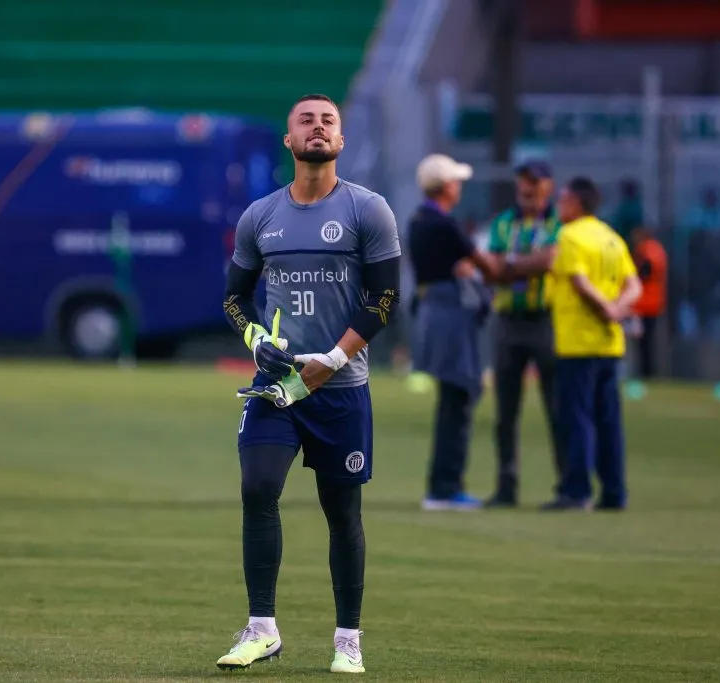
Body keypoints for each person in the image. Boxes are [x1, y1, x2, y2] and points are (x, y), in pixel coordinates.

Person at [217, 94, 402, 673]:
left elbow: (384, 298)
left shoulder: (368, 210)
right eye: (306, 121)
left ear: (340, 141)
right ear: (289, 141)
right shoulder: (259, 216)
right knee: (257, 489)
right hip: (278, 387)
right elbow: (234, 299)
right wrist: (256, 341)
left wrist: (335, 359)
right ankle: (261, 630)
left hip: (341, 389)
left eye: (328, 121)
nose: (317, 127)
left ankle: (348, 639)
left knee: (342, 513)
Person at [543, 177, 642, 511]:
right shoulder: (611, 237)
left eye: (563, 199)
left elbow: (579, 281)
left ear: (576, 203)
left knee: (577, 419)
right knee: (608, 421)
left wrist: (606, 308)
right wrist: (619, 309)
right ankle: (614, 492)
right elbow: (634, 285)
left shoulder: (570, 236)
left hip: (577, 342)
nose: (559, 205)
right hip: (609, 344)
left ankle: (577, 490)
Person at [407, 154, 499, 511]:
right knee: (459, 396)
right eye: (456, 182)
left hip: (433, 314)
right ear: (446, 187)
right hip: (452, 318)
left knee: (452, 399)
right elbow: (485, 265)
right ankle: (445, 488)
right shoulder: (445, 224)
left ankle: (443, 485)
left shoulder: (417, 221)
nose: (459, 187)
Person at [483, 160, 565, 508]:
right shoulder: (504, 222)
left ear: (548, 186)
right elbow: (492, 268)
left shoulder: (559, 223)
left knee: (557, 407)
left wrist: (512, 266)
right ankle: (506, 486)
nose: (527, 188)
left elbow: (550, 262)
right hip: (509, 321)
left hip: (547, 320)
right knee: (505, 412)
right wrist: (528, 264)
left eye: (534, 182)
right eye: (523, 182)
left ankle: (567, 485)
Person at [630, 226, 667, 379]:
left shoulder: (647, 250)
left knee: (645, 342)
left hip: (645, 303)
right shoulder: (656, 250)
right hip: (652, 303)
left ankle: (647, 372)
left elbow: (644, 272)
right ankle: (647, 372)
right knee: (646, 341)